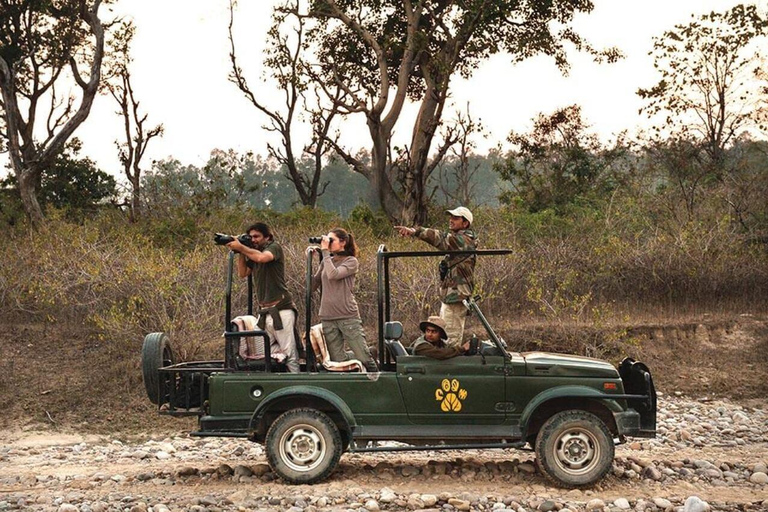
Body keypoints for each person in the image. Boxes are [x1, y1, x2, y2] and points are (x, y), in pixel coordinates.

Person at [395, 206, 477, 345]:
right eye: (451, 217)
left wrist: (416, 231)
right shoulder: (457, 240)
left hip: (456, 297)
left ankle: (449, 364)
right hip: (451, 296)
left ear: (465, 223)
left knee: (450, 339)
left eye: (456, 218)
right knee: (444, 336)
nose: (451, 220)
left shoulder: (465, 241)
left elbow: (441, 237)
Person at [226, 222, 300, 373]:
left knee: (290, 352)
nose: (254, 240)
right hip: (265, 312)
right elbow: (242, 273)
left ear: (267, 237)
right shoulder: (253, 252)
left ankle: (297, 382)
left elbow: (262, 258)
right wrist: (241, 251)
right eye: (251, 237)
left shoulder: (273, 248)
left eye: (257, 236)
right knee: (265, 351)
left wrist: (241, 247)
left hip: (281, 309)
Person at [310, 228, 378, 372]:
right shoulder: (327, 261)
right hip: (328, 316)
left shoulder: (351, 261)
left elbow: (333, 274)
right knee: (338, 361)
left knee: (364, 358)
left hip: (347, 315)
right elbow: (312, 286)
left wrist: (325, 253)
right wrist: (309, 260)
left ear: (343, 242)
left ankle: (377, 377)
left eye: (331, 240)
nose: (328, 244)